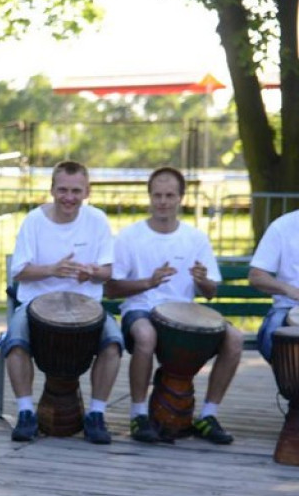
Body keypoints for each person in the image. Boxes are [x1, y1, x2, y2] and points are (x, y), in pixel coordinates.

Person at [107, 166, 240, 445]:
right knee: (146, 336)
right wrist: (148, 282)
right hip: (141, 309)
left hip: (185, 312)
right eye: (157, 195)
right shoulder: (129, 236)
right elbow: (111, 288)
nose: (163, 201)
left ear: (181, 198)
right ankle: (138, 415)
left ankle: (208, 415)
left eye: (169, 195)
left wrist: (203, 281)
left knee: (234, 338)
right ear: (149, 197)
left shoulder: (195, 238)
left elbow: (210, 292)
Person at [4, 160, 122, 445]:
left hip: (87, 306)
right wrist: (52, 270)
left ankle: (96, 414)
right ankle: (25, 413)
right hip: (35, 305)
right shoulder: (34, 220)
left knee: (114, 344)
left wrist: (92, 272)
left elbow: (107, 272)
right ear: (52, 190)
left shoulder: (97, 220)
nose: (69, 197)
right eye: (63, 190)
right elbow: (18, 271)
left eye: (76, 191)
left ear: (87, 192)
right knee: (14, 342)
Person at [249, 208, 299, 363]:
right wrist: (289, 289)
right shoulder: (283, 226)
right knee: (270, 336)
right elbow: (256, 276)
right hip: (289, 307)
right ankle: (288, 377)